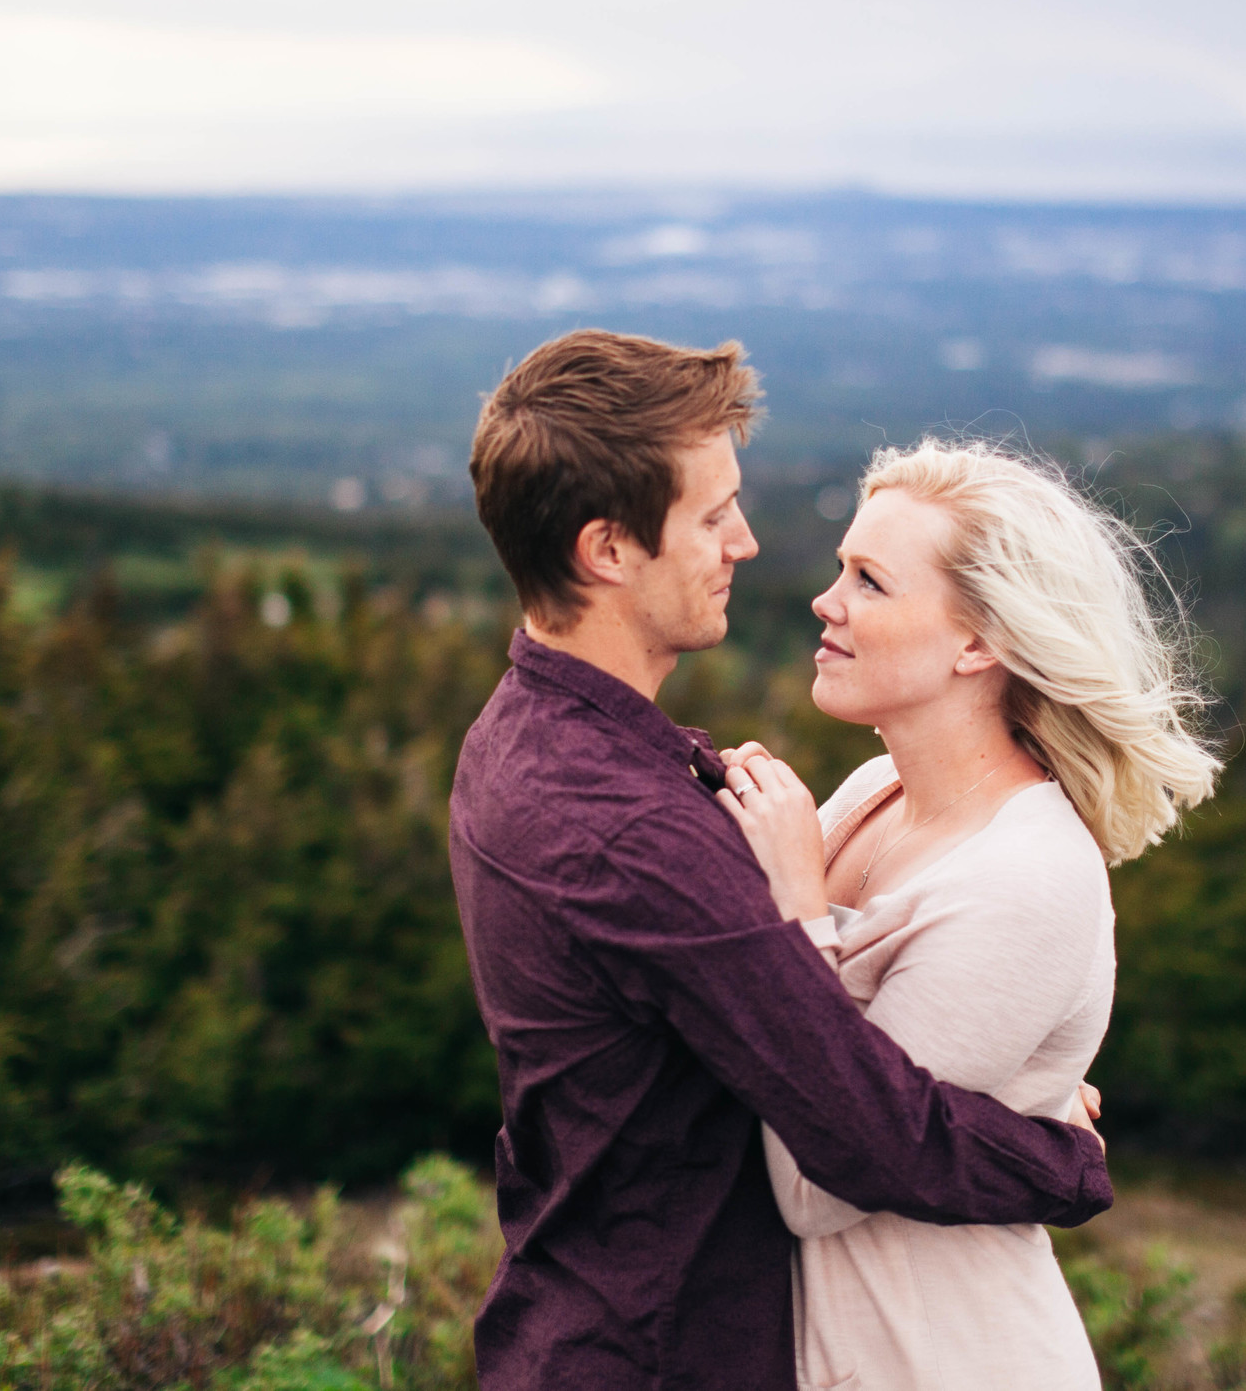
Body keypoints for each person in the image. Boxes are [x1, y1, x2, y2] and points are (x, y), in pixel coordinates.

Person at [448, 330, 1114, 1391]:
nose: (747, 543)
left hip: (598, 1317)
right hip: (664, 1346)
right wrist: (1051, 1151)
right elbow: (869, 1132)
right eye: (712, 515)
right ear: (608, 549)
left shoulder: (524, 734)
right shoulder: (634, 834)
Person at [716, 437, 1221, 1391]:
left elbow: (816, 1181)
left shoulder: (1030, 876)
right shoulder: (873, 790)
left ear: (980, 641)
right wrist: (1020, 1127)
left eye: (870, 581)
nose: (827, 605)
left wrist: (790, 906)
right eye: (840, 571)